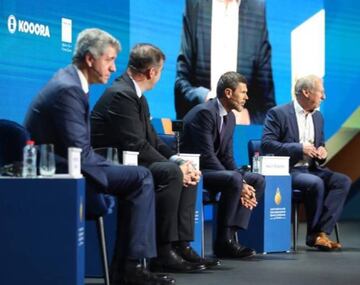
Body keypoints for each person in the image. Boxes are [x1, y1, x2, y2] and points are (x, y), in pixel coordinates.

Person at [24, 29, 174, 285]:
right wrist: (112, 167)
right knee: (141, 177)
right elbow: (79, 154)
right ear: (90, 59)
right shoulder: (69, 89)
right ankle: (130, 268)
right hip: (53, 168)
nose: (114, 67)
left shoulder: (72, 82)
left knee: (137, 176)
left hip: (65, 161)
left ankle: (128, 266)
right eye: (109, 60)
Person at [91, 43, 218, 272]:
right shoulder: (122, 94)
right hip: (113, 163)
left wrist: (180, 161)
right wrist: (174, 166)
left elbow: (154, 141)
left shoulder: (136, 95)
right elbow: (136, 144)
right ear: (152, 72)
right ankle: (163, 250)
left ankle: (181, 244)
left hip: (132, 159)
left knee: (186, 169)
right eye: (160, 73)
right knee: (170, 173)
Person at [261, 74, 351, 251]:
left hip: (312, 168)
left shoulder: (318, 117)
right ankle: (314, 235)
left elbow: (320, 145)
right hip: (289, 170)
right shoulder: (278, 113)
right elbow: (266, 144)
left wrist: (322, 152)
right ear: (306, 92)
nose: (324, 97)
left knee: (343, 181)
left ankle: (321, 233)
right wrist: (299, 148)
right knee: (315, 183)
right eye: (321, 92)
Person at [181, 71, 265, 258]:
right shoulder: (205, 113)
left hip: (214, 170)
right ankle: (223, 242)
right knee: (235, 179)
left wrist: (243, 181)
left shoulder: (230, 117)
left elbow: (227, 156)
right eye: (243, 92)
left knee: (257, 180)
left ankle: (230, 235)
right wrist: (239, 182)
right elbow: (207, 156)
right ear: (228, 93)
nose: (247, 97)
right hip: (197, 170)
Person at [174, 0, 275, 124]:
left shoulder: (256, 7)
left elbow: (267, 104)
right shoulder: (195, 4)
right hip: (200, 128)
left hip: (240, 134)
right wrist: (209, 100)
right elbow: (181, 85)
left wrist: (248, 119)